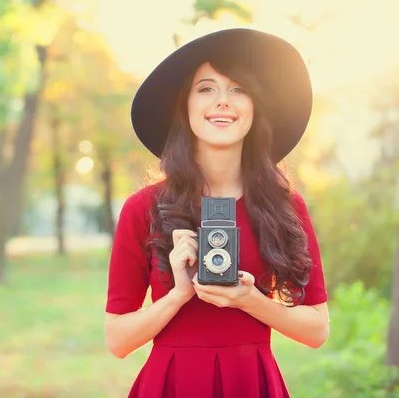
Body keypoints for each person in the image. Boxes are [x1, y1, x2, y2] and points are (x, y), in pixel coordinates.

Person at [104, 28, 329, 398]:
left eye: (239, 89)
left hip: (252, 382)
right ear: (185, 106)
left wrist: (249, 300)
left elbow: (317, 330)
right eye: (206, 88)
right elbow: (117, 339)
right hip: (173, 383)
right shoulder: (143, 208)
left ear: (255, 109)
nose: (223, 101)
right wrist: (178, 294)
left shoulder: (285, 207)